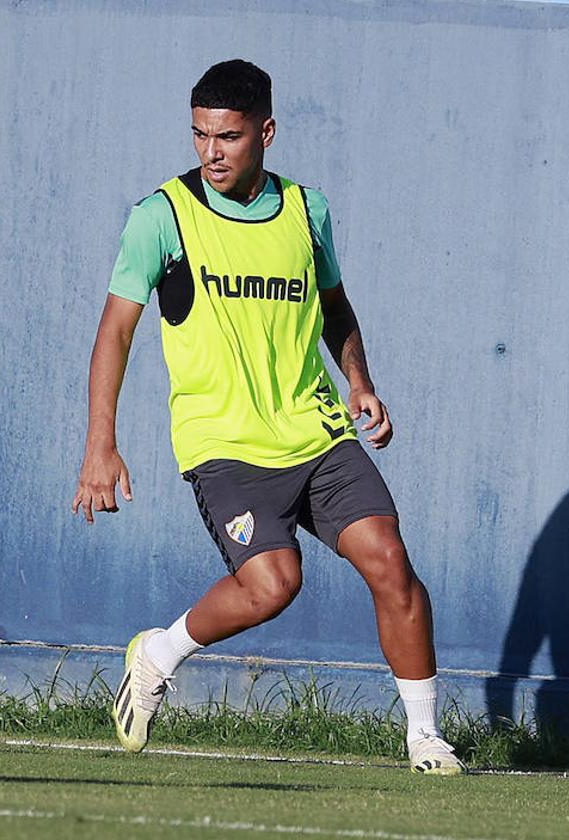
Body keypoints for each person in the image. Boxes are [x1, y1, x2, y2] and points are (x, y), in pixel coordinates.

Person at [72, 59, 464, 775]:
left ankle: (424, 738)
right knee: (274, 585)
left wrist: (359, 381)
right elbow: (115, 332)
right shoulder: (162, 216)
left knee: (391, 562)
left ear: (267, 132)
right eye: (199, 136)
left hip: (315, 432)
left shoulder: (307, 211)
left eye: (227, 136)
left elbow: (334, 305)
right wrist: (102, 442)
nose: (210, 152)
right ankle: (157, 655)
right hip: (224, 444)